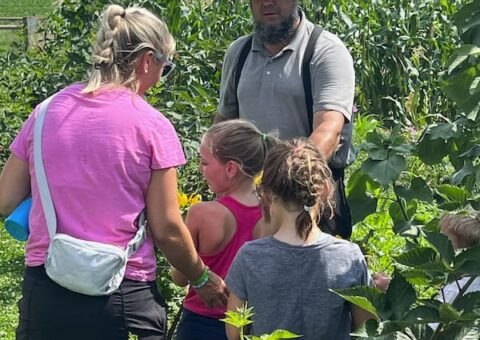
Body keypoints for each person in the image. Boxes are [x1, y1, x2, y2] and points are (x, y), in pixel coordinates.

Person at [0, 5, 227, 340]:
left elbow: (5, 200)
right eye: (166, 67)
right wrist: (202, 278)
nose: (161, 78)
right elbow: (166, 229)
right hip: (122, 295)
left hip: (46, 292)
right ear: (147, 60)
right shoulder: (151, 126)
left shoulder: (45, 113)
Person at [215, 0, 356, 239]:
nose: (267, 3)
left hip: (307, 203)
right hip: (246, 203)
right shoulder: (239, 52)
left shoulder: (324, 50)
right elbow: (223, 124)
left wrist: (285, 187)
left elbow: (328, 131)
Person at [225, 138, 373, 339]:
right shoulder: (348, 257)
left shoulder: (250, 257)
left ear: (266, 194)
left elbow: (234, 334)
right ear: (326, 189)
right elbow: (367, 331)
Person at [171, 120, 276, 340]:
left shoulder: (202, 213)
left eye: (205, 162)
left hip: (201, 324)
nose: (200, 169)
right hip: (250, 325)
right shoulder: (274, 213)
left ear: (230, 168)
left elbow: (179, 277)